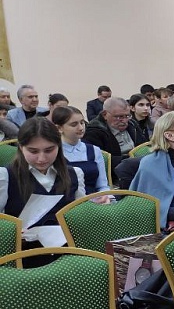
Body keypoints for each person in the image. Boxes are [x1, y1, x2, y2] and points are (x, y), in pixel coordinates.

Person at [2, 118, 87, 262]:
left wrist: (95, 206)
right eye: (33, 151)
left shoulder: (74, 174)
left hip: (68, 254)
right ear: (21, 147)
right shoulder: (6, 176)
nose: (41, 158)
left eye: (49, 150)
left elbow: (80, 217)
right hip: (23, 255)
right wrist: (10, 231)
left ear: (58, 146)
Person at [52, 106, 111, 196]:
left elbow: (102, 186)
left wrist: (106, 197)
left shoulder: (94, 150)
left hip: (95, 200)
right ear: (59, 128)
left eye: (82, 122)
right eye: (74, 124)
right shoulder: (53, 152)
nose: (80, 128)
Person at [83, 97, 138, 180]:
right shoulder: (94, 132)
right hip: (115, 176)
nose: (124, 120)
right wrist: (131, 160)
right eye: (119, 117)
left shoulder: (132, 125)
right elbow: (101, 160)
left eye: (127, 116)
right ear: (105, 114)